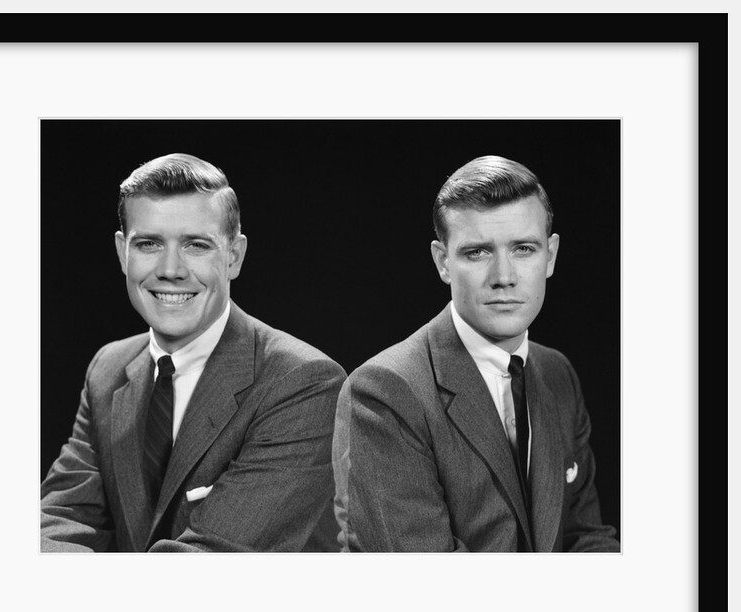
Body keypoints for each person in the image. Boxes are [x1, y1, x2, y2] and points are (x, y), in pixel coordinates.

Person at [41, 153, 346, 552]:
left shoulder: (303, 384)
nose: (171, 269)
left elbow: (208, 560)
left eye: (196, 245)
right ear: (122, 253)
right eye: (149, 244)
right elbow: (59, 520)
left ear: (234, 256)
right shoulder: (108, 369)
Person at [333, 155, 619, 552]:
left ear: (550, 256)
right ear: (443, 262)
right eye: (478, 252)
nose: (504, 277)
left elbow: (585, 538)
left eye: (524, 249)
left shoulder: (557, 372)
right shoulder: (385, 392)